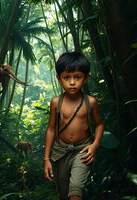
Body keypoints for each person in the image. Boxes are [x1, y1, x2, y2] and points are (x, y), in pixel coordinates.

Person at [43, 51, 104, 200]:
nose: (72, 82)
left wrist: (95, 145)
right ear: (59, 79)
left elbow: (99, 124)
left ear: (85, 78)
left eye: (77, 77)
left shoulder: (90, 102)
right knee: (64, 194)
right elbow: (51, 129)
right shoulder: (56, 102)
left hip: (82, 150)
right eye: (66, 77)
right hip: (61, 151)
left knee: (76, 190)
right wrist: (46, 159)